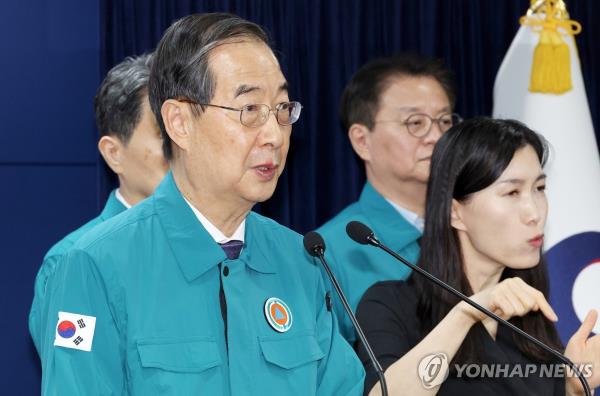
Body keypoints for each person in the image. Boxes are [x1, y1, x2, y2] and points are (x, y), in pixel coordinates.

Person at [41, 13, 364, 395]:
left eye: (281, 109)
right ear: (179, 123)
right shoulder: (95, 263)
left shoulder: (302, 260)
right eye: (249, 110)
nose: (274, 136)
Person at [356, 118, 600, 395]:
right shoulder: (390, 305)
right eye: (512, 192)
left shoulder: (530, 317)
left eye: (540, 188)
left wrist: (571, 388)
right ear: (455, 212)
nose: (535, 213)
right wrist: (467, 312)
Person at [29, 53, 168, 356]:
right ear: (114, 153)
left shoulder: (224, 244)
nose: (180, 147)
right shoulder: (74, 261)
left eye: (184, 128)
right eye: (163, 133)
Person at [317, 53, 460, 344]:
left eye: (444, 121)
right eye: (415, 122)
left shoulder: (475, 228)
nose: (436, 136)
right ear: (362, 141)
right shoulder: (327, 253)